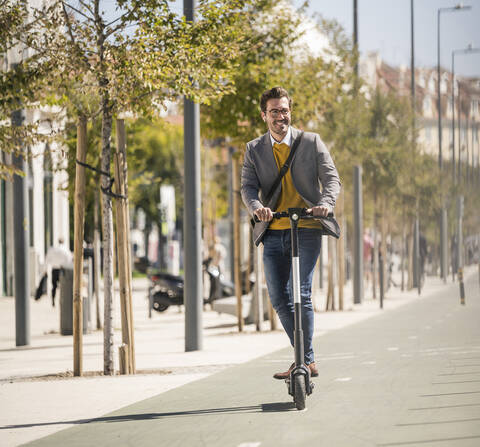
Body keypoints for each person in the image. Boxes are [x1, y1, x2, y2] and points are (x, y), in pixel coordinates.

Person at [241, 87, 341, 380]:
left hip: (307, 227)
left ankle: (304, 360)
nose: (280, 117)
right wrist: (257, 207)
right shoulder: (254, 149)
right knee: (278, 298)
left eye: (284, 111)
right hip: (273, 230)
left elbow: (331, 179)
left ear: (290, 112)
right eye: (274, 112)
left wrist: (325, 203)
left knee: (302, 293)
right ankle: (306, 360)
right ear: (264, 115)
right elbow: (247, 187)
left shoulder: (311, 142)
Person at [44, 237, 73, 306]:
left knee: (54, 286)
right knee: (63, 286)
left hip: (54, 269)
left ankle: (53, 300)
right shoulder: (65, 250)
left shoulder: (53, 249)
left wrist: (45, 270)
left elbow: (47, 259)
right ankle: (62, 300)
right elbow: (69, 259)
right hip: (62, 269)